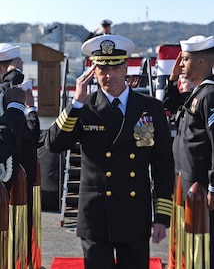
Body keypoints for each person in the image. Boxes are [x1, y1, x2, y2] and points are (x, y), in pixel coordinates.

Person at [45, 34, 175, 269]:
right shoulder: (83, 108)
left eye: (115, 67)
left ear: (126, 68)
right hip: (96, 215)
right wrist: (74, 104)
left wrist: (161, 217)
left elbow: (163, 165)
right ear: (93, 72)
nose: (109, 75)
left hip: (134, 214)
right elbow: (53, 144)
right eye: (102, 68)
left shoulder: (151, 108)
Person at [171, 35, 214, 267]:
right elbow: (169, 104)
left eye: (186, 59)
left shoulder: (210, 95)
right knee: (194, 251)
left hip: (202, 190)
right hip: (189, 185)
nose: (182, 64)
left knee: (205, 251)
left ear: (201, 62)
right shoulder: (199, 93)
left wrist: (213, 187)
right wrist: (172, 78)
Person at [0, 43, 40, 267]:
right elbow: (31, 131)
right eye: (17, 67)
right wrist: (27, 107)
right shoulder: (8, 102)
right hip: (11, 188)